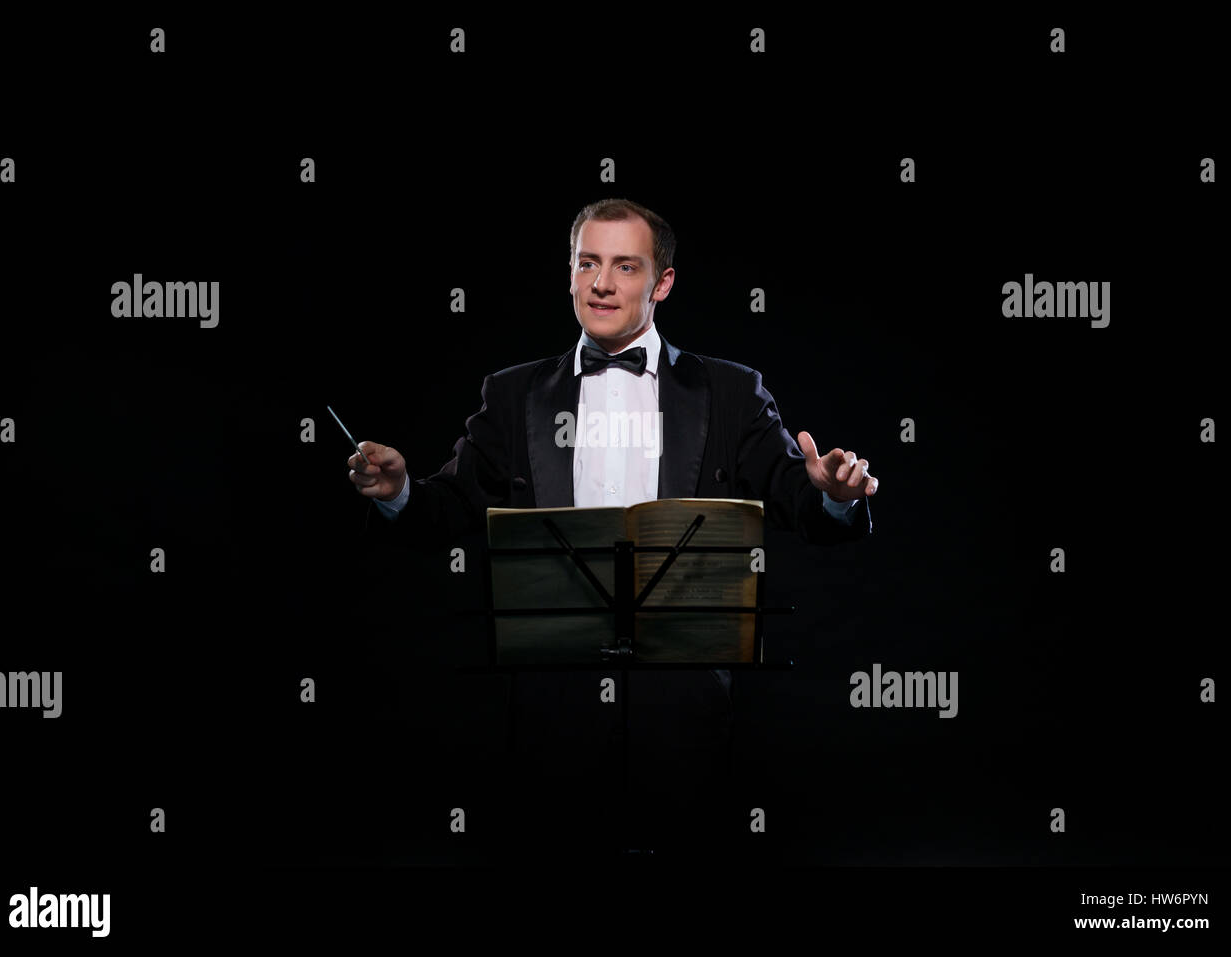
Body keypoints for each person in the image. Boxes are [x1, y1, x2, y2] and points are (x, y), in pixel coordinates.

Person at [348, 198, 878, 856]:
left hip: (684, 703)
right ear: (569, 272)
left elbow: (797, 499)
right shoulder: (511, 395)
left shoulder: (731, 392)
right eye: (587, 263)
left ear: (662, 282)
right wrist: (399, 493)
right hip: (550, 703)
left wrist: (835, 496)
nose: (601, 283)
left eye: (626, 266)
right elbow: (448, 509)